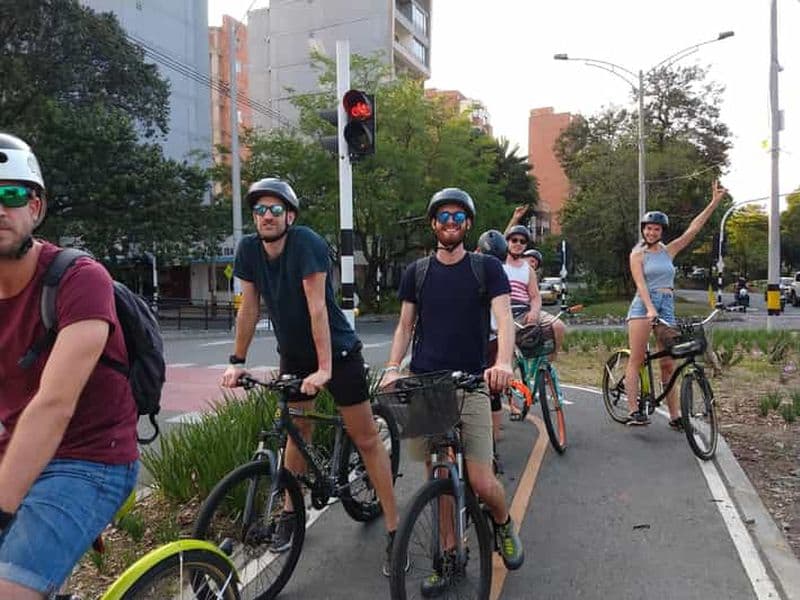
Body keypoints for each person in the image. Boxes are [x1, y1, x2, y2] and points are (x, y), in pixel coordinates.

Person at [219, 177, 400, 576]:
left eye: (275, 209)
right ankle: (288, 513)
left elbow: (317, 308)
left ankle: (394, 530)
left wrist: (324, 369)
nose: (266, 216)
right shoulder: (249, 250)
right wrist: (236, 360)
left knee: (367, 438)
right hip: (296, 354)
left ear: (290, 215)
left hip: (338, 352)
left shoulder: (307, 244)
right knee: (295, 427)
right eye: (260, 210)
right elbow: (248, 308)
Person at [0, 133, 139, 599]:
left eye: (11, 194)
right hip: (17, 447)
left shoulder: (79, 279)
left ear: (35, 208)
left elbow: (54, 404)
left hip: (90, 458)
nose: (0, 208)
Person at [382, 188, 524, 595]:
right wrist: (393, 368)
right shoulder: (417, 272)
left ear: (468, 226)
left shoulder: (486, 269)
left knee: (481, 481)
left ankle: (502, 523)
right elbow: (405, 327)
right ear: (432, 224)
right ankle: (448, 556)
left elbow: (504, 318)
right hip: (427, 384)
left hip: (472, 384)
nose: (449, 223)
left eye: (458, 218)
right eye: (443, 217)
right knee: (438, 474)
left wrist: (503, 363)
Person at [624, 180, 726, 427]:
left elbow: (692, 230)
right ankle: (633, 409)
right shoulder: (637, 254)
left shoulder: (668, 251)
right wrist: (649, 308)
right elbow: (640, 284)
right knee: (637, 358)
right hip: (643, 305)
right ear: (643, 230)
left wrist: (713, 203)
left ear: (662, 232)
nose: (652, 233)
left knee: (668, 364)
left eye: (656, 230)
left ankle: (675, 416)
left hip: (667, 304)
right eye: (648, 229)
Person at [503, 225, 566, 358]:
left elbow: (535, 297)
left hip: (525, 312)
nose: (518, 244)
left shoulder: (528, 270)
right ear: (508, 242)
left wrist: (534, 312)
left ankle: (549, 361)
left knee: (558, 326)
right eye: (514, 240)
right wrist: (514, 218)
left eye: (522, 241)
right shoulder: (498, 264)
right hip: (504, 314)